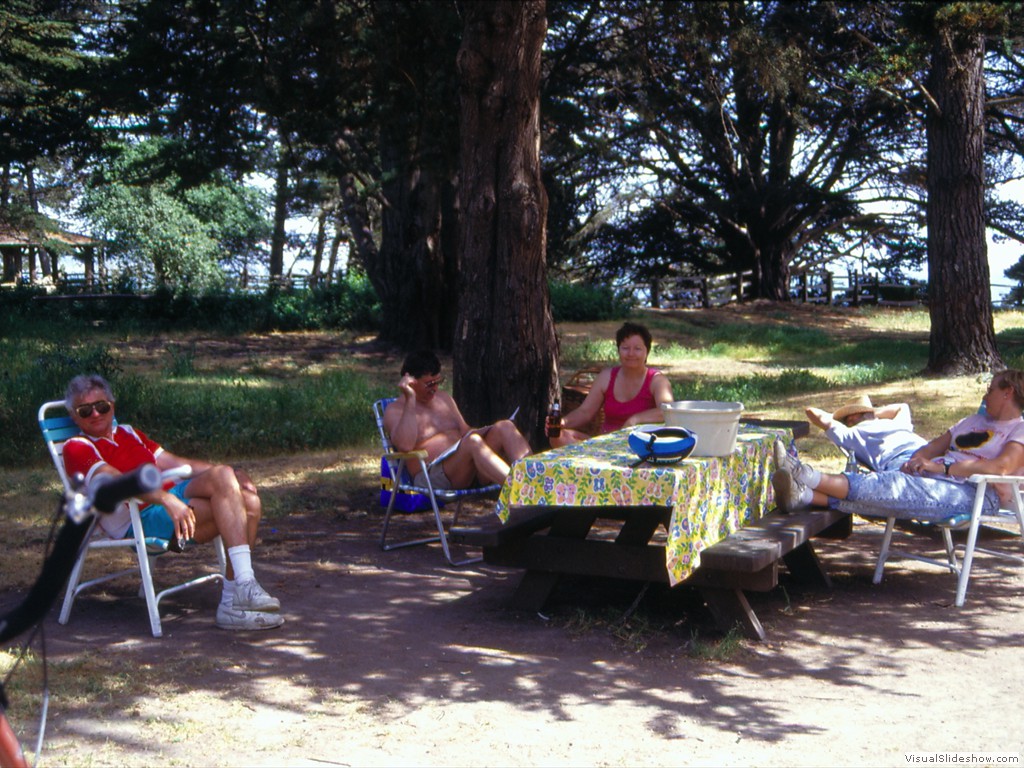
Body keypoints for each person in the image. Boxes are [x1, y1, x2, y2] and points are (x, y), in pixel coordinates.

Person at [61, 374, 283, 632]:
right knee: (245, 505)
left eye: (102, 406)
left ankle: (240, 590)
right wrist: (167, 499)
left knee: (239, 488)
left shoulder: (129, 432)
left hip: (170, 500)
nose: (96, 414)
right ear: (74, 417)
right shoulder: (76, 447)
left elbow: (176, 464)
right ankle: (235, 601)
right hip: (140, 518)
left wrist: (235, 474)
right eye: (85, 410)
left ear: (112, 405)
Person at [772, 370, 1024, 518]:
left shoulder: (1019, 429)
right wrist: (916, 459)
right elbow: (934, 446)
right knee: (890, 492)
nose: (984, 395)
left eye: (990, 389)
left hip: (978, 494)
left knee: (894, 487)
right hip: (936, 477)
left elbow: (999, 468)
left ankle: (804, 474)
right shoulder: (973, 420)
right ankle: (804, 494)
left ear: (1008, 391)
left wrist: (943, 469)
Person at [383, 350, 531, 489]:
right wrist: (410, 398)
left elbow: (465, 430)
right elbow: (405, 446)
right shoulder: (396, 410)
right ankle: (522, 489)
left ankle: (538, 481)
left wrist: (487, 430)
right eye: (429, 384)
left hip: (466, 465)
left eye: (438, 382)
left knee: (504, 426)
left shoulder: (443, 398)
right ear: (411, 381)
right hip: (431, 475)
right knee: (473, 442)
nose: (434, 388)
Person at [549, 321, 674, 447]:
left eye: (637, 349)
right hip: (605, 444)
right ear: (618, 350)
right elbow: (585, 412)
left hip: (641, 445)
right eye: (625, 348)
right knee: (558, 435)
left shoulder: (657, 380)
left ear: (647, 352)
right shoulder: (606, 376)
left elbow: (667, 411)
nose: (631, 354)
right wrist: (562, 422)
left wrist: (634, 420)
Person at [803, 395, 928, 472]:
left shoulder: (852, 434)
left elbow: (812, 412)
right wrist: (869, 414)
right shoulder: (853, 433)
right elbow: (811, 412)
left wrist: (838, 418)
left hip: (910, 458)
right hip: (924, 453)